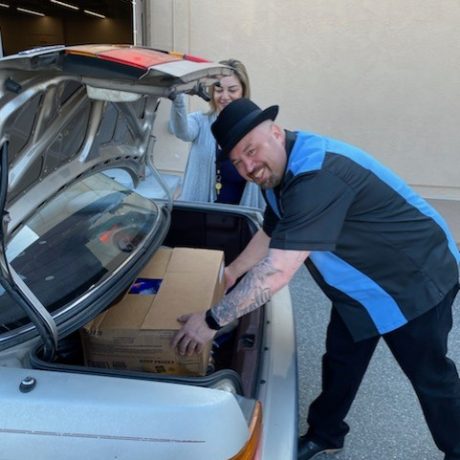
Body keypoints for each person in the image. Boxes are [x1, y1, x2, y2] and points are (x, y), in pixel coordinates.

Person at [172, 98, 460, 460]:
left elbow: (277, 270)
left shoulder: (317, 173)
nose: (248, 167)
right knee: (341, 360)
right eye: (237, 161)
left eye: (251, 151)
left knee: (431, 377)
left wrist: (211, 321)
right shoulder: (275, 169)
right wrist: (232, 272)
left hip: (415, 279)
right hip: (361, 286)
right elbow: (273, 228)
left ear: (275, 132)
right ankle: (326, 434)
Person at [168, 59, 264, 209]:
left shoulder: (255, 127)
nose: (224, 96)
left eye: (232, 90)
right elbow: (182, 132)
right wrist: (177, 99)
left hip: (240, 219)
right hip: (202, 218)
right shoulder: (200, 121)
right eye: (219, 90)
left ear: (244, 91)